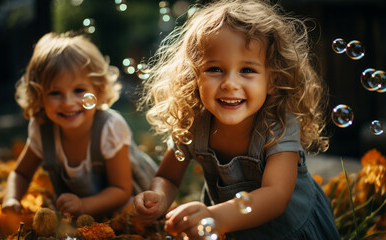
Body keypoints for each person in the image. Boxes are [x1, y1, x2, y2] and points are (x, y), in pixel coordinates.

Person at [132, 0, 340, 239]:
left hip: (290, 231)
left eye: (247, 70)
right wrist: (158, 197)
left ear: (273, 79)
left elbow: (276, 196)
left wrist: (215, 218)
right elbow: (167, 177)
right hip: (229, 229)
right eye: (214, 69)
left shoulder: (278, 125)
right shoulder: (194, 125)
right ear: (194, 76)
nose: (230, 83)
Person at [2, 32, 157, 219]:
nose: (68, 102)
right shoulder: (42, 129)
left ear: (98, 90)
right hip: (79, 217)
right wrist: (11, 199)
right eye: (55, 93)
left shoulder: (110, 128)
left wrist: (83, 205)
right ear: (38, 95)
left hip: (124, 212)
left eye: (79, 90)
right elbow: (21, 173)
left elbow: (120, 190)